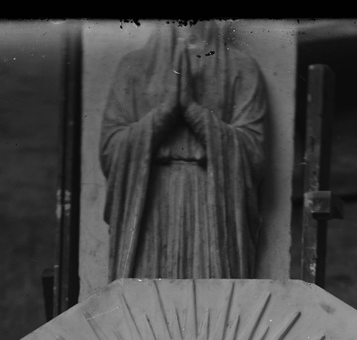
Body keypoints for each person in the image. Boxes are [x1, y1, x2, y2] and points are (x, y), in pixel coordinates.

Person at [100, 22, 267, 279]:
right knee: (145, 297)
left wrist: (192, 110)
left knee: (214, 297)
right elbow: (111, 149)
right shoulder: (133, 66)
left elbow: (253, 151)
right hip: (150, 200)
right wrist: (165, 113)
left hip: (212, 200)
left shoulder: (241, 67)